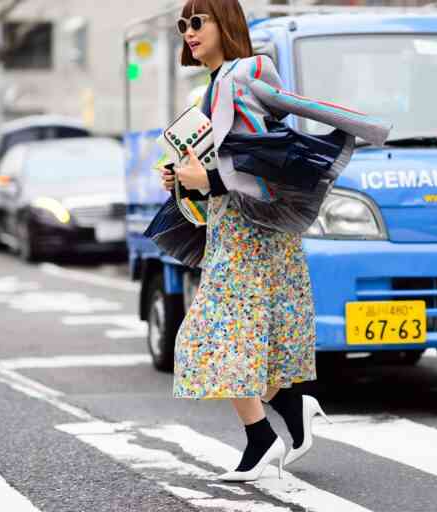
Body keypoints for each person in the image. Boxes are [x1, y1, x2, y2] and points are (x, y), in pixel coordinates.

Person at [160, 0, 390, 482]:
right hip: (236, 230)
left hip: (250, 234)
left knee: (212, 336)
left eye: (198, 21)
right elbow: (233, 160)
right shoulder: (216, 85)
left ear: (226, 23)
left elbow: (267, 162)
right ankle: (285, 412)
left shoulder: (244, 75)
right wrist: (184, 180)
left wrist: (208, 180)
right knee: (242, 340)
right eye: (183, 24)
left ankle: (266, 433)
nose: (189, 32)